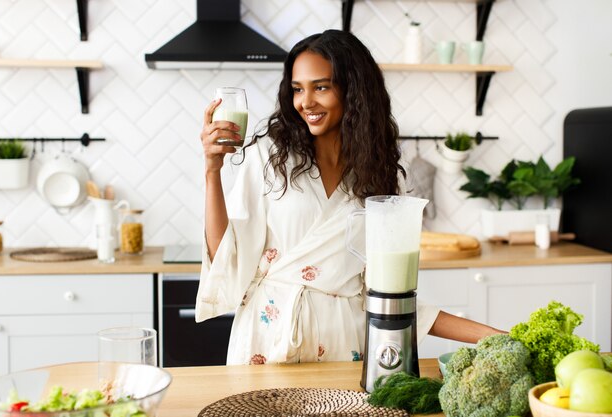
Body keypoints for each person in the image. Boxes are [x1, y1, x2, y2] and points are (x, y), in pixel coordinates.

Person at [196, 29, 503, 366]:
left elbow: (389, 296)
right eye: (298, 89)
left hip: (343, 342)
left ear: (354, 90)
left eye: (321, 87)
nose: (306, 102)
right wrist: (213, 170)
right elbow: (226, 255)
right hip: (267, 338)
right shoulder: (270, 158)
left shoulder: (378, 175)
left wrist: (492, 336)